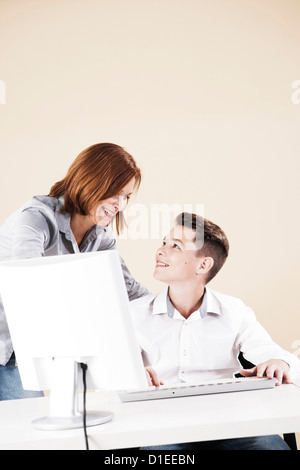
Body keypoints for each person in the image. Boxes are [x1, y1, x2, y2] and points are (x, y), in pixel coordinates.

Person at [130, 212, 300, 450]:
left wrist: (281, 364)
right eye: (164, 242)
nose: (161, 251)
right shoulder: (134, 313)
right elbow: (110, 376)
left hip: (232, 426)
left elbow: (280, 357)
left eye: (176, 246)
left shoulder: (233, 310)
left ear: (203, 264)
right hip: (163, 429)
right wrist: (132, 376)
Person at [0, 142, 149, 401]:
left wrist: (183, 306)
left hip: (21, 351)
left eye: (126, 197)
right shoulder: (36, 218)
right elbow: (28, 283)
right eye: (116, 194)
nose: (120, 205)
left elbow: (129, 291)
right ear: (92, 181)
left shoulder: (100, 238)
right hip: (7, 343)